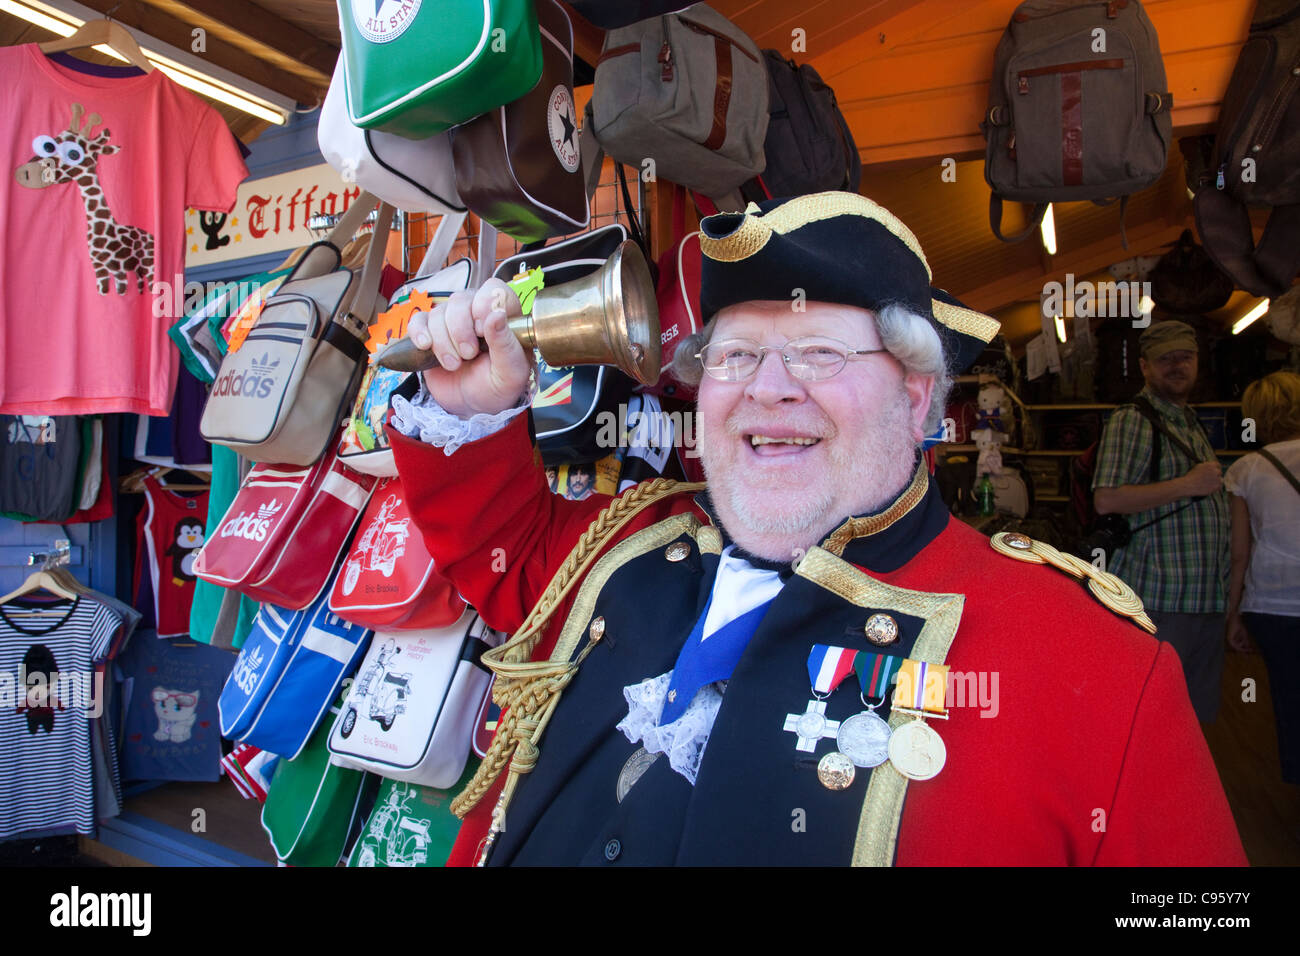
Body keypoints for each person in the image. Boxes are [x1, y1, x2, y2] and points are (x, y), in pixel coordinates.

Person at [390, 193, 1244, 866]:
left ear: (917, 399)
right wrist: (466, 410)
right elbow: (498, 556)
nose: (768, 388)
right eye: (734, 356)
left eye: (821, 355)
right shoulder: (630, 546)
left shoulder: (1095, 666)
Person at [1092, 320, 1230, 723]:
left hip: (1205, 598)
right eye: (1165, 359)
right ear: (1145, 367)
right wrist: (1188, 484)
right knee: (1155, 715)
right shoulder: (1133, 419)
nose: (1177, 365)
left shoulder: (1186, 420)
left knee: (1196, 717)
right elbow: (1107, 498)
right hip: (1161, 597)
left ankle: (1186, 787)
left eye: (1185, 356)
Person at [1225, 371, 1300, 785]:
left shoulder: (1248, 469)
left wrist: (1234, 615)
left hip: (1272, 606)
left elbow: (1241, 553)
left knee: (1290, 703)